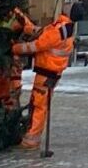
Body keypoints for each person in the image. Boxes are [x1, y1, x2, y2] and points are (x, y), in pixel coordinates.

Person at [13, 8, 74, 149]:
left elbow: (39, 45)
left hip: (47, 73)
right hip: (52, 73)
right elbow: (42, 32)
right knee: (40, 104)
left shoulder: (59, 30)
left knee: (38, 105)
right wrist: (29, 29)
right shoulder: (64, 29)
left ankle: (31, 139)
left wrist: (16, 49)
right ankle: (32, 136)